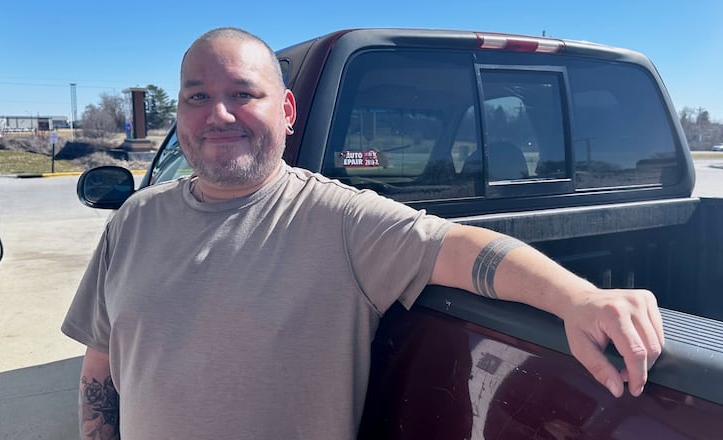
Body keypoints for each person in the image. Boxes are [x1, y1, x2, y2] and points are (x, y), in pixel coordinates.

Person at [62, 27, 664, 439]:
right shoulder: (134, 220)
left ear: (288, 112)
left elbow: (460, 247)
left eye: (243, 94)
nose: (218, 114)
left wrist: (577, 298)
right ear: (181, 114)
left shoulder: (341, 220)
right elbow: (101, 367)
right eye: (198, 97)